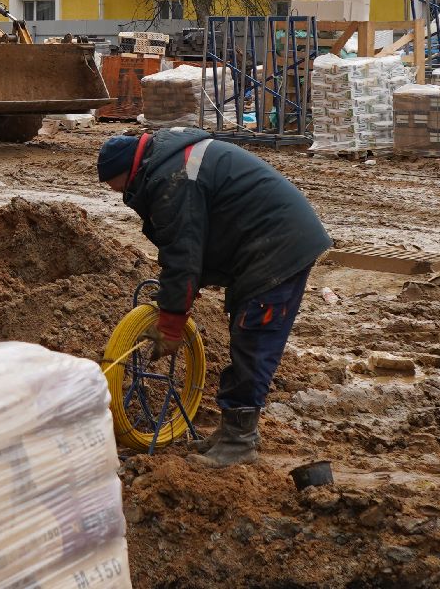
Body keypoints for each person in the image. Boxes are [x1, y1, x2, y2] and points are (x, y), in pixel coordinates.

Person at [98, 127, 331, 467]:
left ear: (126, 171)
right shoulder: (168, 162)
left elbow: (183, 255)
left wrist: (173, 322)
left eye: (113, 184)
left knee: (254, 338)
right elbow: (192, 247)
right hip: (263, 243)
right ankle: (231, 432)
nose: (115, 192)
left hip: (278, 247)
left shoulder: (171, 180)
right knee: (246, 332)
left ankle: (240, 442)